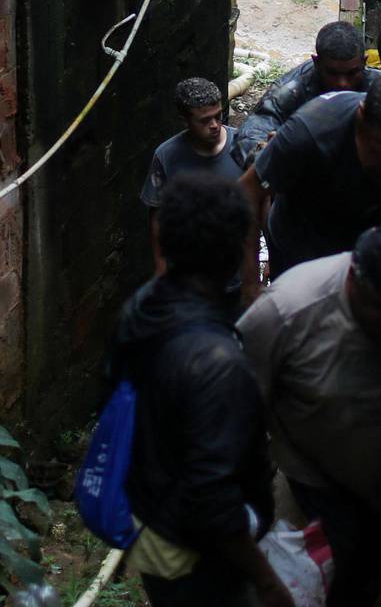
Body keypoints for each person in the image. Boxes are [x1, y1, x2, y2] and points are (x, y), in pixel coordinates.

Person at [238, 218, 381, 607]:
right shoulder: (287, 311)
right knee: (345, 570)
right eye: (380, 306)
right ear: (353, 276)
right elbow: (242, 401)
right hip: (320, 476)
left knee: (371, 557)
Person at [108, 175, 295, 607]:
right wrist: (266, 580)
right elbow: (212, 501)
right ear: (233, 253)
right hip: (193, 554)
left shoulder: (140, 310)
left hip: (150, 519)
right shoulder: (218, 365)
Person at [238, 72, 381, 300]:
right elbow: (247, 191)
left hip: (367, 234)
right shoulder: (310, 131)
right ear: (361, 117)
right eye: (377, 146)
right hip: (299, 239)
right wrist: (249, 285)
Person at [236, 22, 375, 164]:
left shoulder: (380, 86)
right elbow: (252, 132)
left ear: (364, 62)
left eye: (351, 73)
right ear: (316, 62)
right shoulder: (291, 89)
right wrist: (263, 153)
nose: (342, 83)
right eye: (332, 73)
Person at [142, 78, 242, 272]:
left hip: (236, 274)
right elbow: (158, 218)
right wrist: (161, 272)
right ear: (184, 120)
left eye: (218, 116)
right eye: (204, 120)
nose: (214, 125)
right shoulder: (166, 156)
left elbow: (265, 201)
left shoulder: (243, 144)